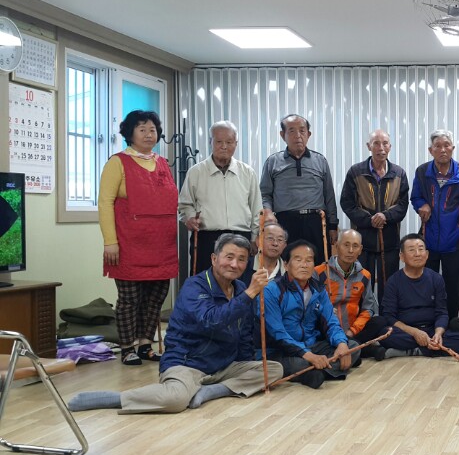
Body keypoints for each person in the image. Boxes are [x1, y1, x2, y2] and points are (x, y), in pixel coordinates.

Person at [68, 234, 283, 413]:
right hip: (187, 363)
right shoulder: (195, 286)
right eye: (229, 257)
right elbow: (212, 321)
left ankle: (213, 391)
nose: (235, 264)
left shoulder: (239, 288)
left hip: (223, 366)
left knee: (272, 369)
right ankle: (117, 398)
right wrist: (250, 293)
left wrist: (245, 369)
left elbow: (244, 335)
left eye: (242, 259)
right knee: (176, 400)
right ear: (214, 258)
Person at [98, 110, 178, 366]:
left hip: (161, 244)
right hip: (129, 243)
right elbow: (105, 202)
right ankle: (127, 346)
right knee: (130, 299)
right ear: (129, 133)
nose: (148, 133)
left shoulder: (163, 163)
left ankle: (145, 343)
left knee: (156, 296)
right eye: (141, 128)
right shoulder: (117, 162)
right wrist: (110, 241)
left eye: (152, 129)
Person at [261, 240, 359, 389]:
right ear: (286, 265)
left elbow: (331, 322)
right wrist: (308, 355)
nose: (304, 265)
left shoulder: (318, 289)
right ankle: (319, 370)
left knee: (353, 347)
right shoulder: (271, 290)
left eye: (309, 260)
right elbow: (277, 333)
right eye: (298, 259)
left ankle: (313, 372)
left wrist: (342, 344)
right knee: (297, 363)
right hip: (280, 350)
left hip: (311, 345)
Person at [178, 120, 262, 284]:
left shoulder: (247, 173)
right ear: (211, 142)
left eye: (229, 142)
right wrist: (189, 218)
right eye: (219, 141)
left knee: (239, 285)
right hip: (207, 238)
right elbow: (184, 205)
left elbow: (256, 208)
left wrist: (254, 238)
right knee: (205, 284)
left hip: (241, 237)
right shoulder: (196, 172)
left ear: (236, 144)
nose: (224, 146)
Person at [411, 129, 459, 320]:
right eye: (437, 146)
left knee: (453, 286)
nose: (443, 150)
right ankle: (429, 321)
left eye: (446, 145)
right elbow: (415, 197)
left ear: (453, 148)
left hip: (455, 240)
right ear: (430, 150)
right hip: (428, 240)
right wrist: (421, 205)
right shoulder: (422, 172)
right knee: (427, 284)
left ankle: (451, 322)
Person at [340, 129, 409, 303]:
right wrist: (369, 220)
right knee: (362, 284)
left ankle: (388, 321)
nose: (381, 148)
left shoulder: (399, 173)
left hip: (390, 240)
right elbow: (347, 203)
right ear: (368, 146)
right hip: (363, 241)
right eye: (376, 143)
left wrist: (385, 216)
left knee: (390, 285)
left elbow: (403, 205)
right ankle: (364, 320)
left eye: (385, 143)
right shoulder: (356, 172)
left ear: (390, 146)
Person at [376, 234, 459, 360]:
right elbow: (389, 317)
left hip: (430, 329)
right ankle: (430, 349)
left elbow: (442, 312)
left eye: (421, 249)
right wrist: (415, 333)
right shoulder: (394, 281)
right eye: (412, 250)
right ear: (402, 257)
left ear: (427, 254)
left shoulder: (436, 279)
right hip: (406, 331)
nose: (417, 254)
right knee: (385, 335)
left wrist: (438, 333)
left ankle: (412, 351)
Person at [260, 114, 339, 254]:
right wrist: (268, 214)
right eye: (291, 131)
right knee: (287, 265)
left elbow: (329, 196)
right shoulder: (273, 161)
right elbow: (265, 194)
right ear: (282, 134)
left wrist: (333, 226)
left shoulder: (320, 160)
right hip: (285, 222)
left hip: (315, 222)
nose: (298, 135)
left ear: (308, 134)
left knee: (317, 265)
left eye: (302, 131)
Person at [314, 229, 384, 356]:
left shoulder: (364, 275)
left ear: (361, 249)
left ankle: (350, 345)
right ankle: (358, 349)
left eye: (355, 246)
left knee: (380, 322)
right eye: (346, 245)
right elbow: (310, 304)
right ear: (336, 246)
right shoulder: (319, 272)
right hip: (327, 328)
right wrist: (323, 310)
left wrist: (352, 331)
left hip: (352, 330)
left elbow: (368, 308)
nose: (351, 250)